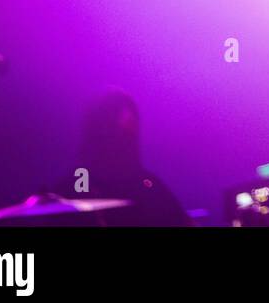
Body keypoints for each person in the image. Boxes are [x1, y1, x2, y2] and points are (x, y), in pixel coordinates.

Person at [46, 89, 191, 227]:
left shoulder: (149, 186)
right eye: (119, 132)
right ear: (100, 130)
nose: (126, 141)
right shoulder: (76, 184)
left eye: (130, 133)